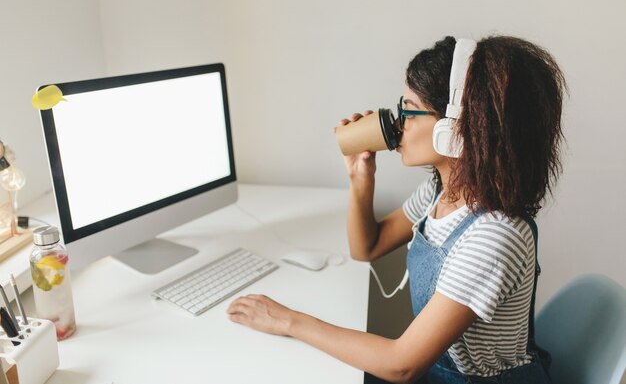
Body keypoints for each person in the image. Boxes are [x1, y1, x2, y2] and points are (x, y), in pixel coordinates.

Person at [227, 35, 566, 384]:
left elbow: (402, 365)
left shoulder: (495, 236)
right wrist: (361, 177)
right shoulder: (441, 192)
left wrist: (288, 321)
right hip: (434, 369)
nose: (396, 122)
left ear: (456, 129)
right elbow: (367, 248)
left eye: (409, 109)